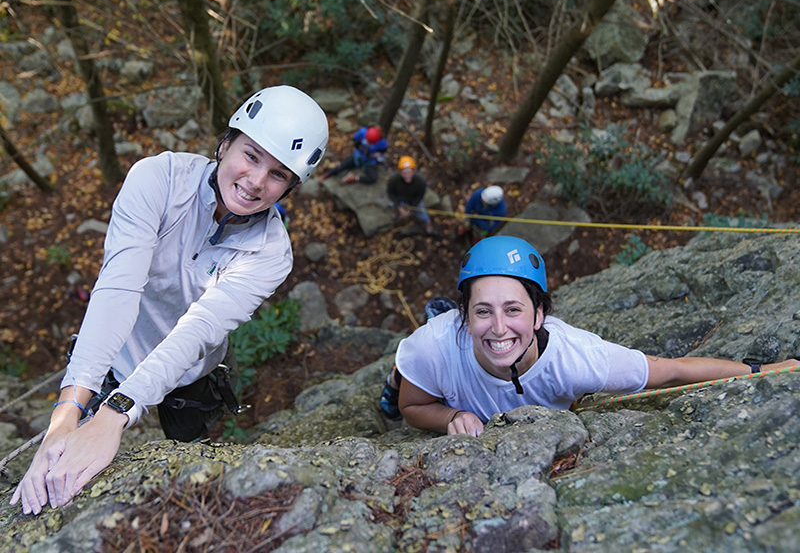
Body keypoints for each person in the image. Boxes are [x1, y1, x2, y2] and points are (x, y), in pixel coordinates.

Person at [11, 85, 328, 515]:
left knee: (192, 449)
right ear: (224, 143)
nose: (256, 182)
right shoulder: (158, 179)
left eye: (277, 175)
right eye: (251, 156)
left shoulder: (271, 254)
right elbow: (118, 290)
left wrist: (115, 414)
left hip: (191, 370)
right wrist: (68, 414)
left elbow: (199, 328)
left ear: (289, 188)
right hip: (116, 354)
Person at [396, 235, 800, 437]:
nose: (499, 328)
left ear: (540, 314)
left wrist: (765, 370)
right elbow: (411, 406)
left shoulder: (578, 360)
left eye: (514, 310)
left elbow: (673, 372)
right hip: (438, 357)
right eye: (482, 311)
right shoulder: (434, 346)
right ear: (464, 314)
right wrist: (451, 415)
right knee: (406, 373)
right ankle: (412, 350)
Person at [320, 125, 387, 184]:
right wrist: (359, 145)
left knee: (373, 178)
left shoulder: (382, 142)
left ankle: (354, 178)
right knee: (342, 166)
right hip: (358, 156)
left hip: (369, 161)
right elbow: (354, 141)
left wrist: (376, 155)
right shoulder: (362, 132)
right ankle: (327, 175)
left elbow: (382, 151)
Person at [386, 155, 432, 234]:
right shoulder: (394, 179)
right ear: (400, 172)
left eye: (409, 172)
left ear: (414, 171)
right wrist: (399, 206)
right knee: (392, 204)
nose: (407, 175)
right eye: (404, 172)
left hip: (413, 200)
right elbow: (390, 193)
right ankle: (396, 212)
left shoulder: (421, 181)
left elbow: (420, 196)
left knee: (422, 214)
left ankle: (427, 223)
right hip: (400, 199)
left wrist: (411, 208)